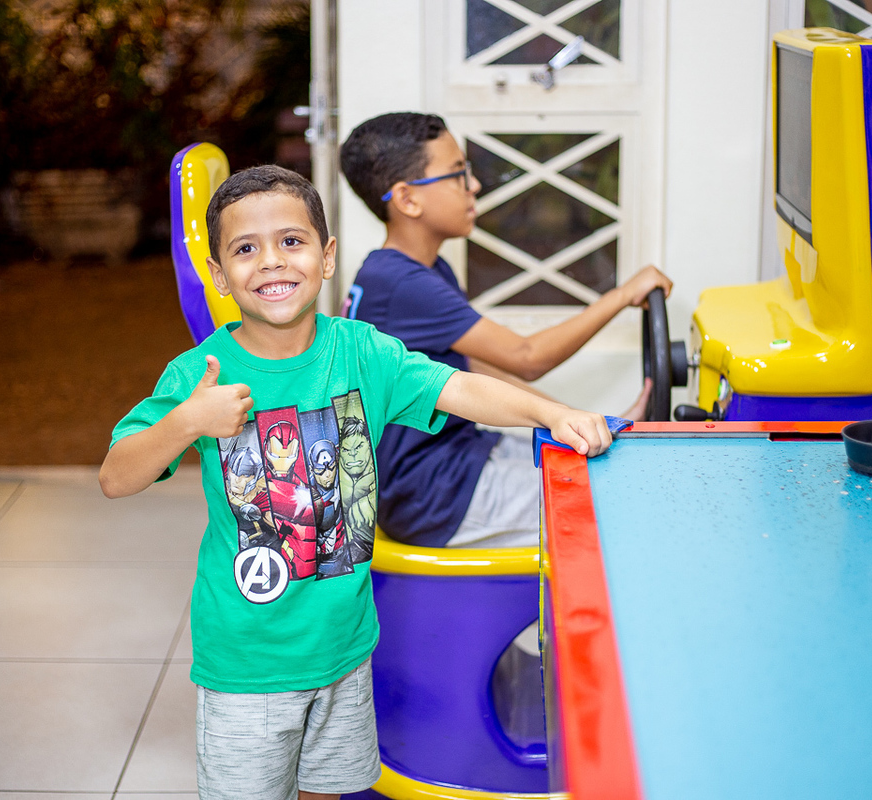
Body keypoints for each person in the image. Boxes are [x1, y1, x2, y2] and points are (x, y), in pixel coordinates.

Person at [99, 165, 612, 800]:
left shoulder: (362, 352)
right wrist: (186, 421)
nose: (271, 262)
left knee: (328, 791)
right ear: (218, 274)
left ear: (327, 255)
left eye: (291, 241)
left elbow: (460, 389)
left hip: (345, 652)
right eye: (245, 248)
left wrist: (550, 412)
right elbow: (116, 477)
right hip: (247, 666)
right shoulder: (200, 372)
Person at [339, 112, 674, 549]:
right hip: (436, 493)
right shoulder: (402, 283)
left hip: (459, 458)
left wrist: (582, 422)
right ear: (407, 199)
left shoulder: (413, 269)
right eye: (458, 174)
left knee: (606, 467)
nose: (474, 186)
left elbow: (476, 364)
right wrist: (623, 294)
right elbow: (527, 357)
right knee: (624, 503)